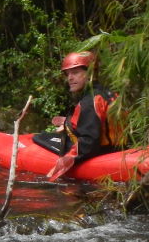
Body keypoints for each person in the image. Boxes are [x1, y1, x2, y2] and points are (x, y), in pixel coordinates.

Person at [32, 51, 119, 180]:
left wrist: (67, 160)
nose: (70, 78)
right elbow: (101, 122)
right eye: (68, 74)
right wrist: (68, 123)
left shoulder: (89, 102)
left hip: (100, 152)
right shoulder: (110, 94)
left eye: (75, 72)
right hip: (117, 148)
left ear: (90, 74)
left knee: (40, 137)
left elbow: (89, 143)